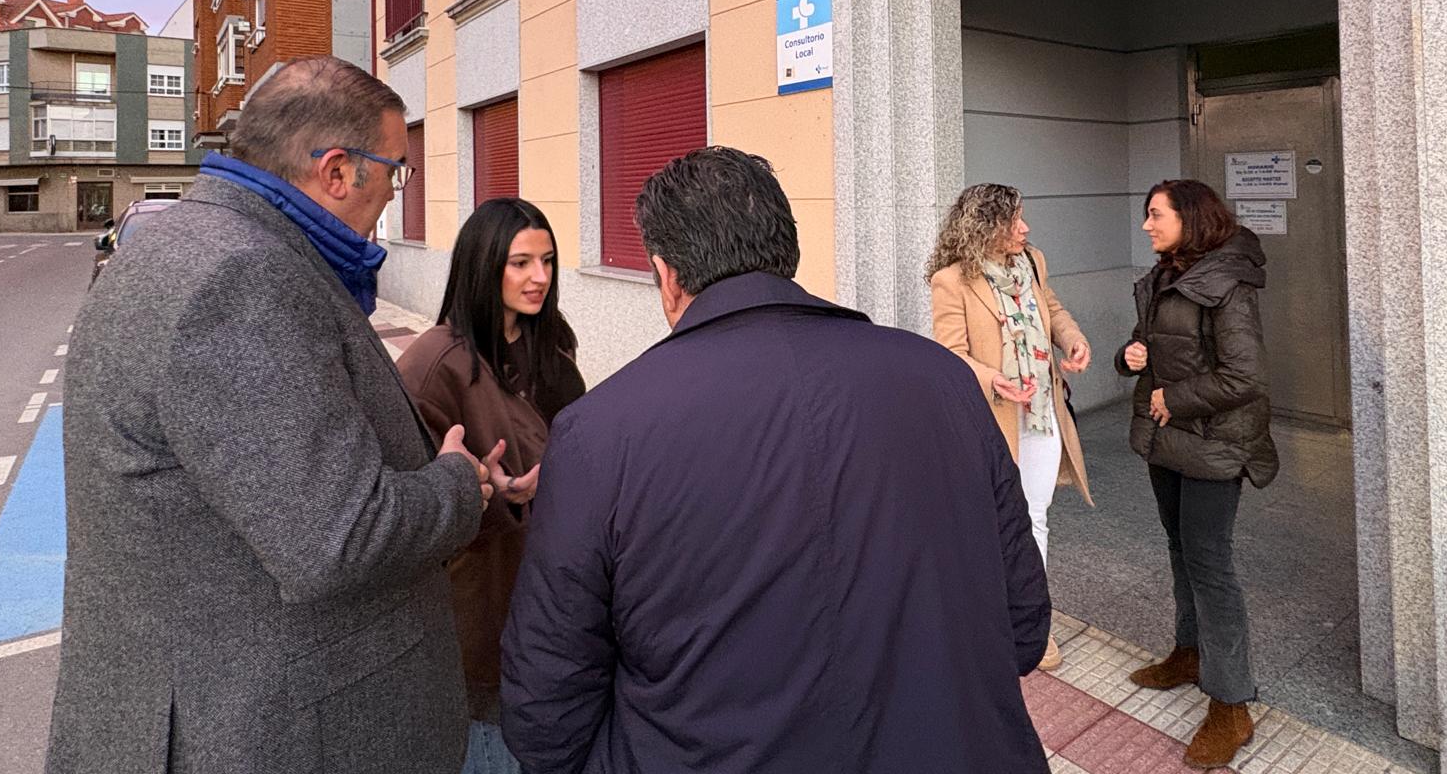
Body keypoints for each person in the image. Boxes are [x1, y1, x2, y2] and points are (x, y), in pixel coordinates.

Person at [500, 148, 1052, 774]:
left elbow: (546, 708)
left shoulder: (597, 432)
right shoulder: (944, 380)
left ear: (666, 275)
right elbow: (1025, 626)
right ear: (786, 255)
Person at [47, 57, 498, 774]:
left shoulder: (183, 243)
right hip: (266, 730)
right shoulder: (241, 278)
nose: (393, 194)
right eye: (396, 170)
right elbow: (338, 538)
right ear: (338, 171)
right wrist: (455, 486)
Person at [398, 198, 587, 774]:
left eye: (548, 261)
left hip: (556, 602)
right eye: (521, 263)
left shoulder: (550, 342)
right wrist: (487, 496)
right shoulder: (434, 365)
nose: (540, 278)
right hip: (481, 620)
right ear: (484, 267)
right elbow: (407, 516)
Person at [1117, 178, 1278, 770]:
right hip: (1168, 442)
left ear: (1190, 217)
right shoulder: (1165, 275)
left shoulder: (1227, 284)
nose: (1146, 226)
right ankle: (1189, 653)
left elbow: (1246, 377)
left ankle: (1232, 704)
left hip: (1213, 445)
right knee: (1181, 549)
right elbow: (1151, 344)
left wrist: (1173, 399)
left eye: (1155, 215)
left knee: (1211, 565)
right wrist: (1129, 355)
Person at [928, 183, 1093, 672]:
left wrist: (1073, 340)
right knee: (993, 522)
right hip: (992, 417)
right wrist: (995, 379)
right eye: (1014, 220)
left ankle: (1031, 625)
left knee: (1034, 516)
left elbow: (1054, 311)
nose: (1025, 228)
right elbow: (949, 355)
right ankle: (984, 617)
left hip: (1041, 411)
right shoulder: (951, 281)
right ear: (985, 228)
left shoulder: (1033, 261)